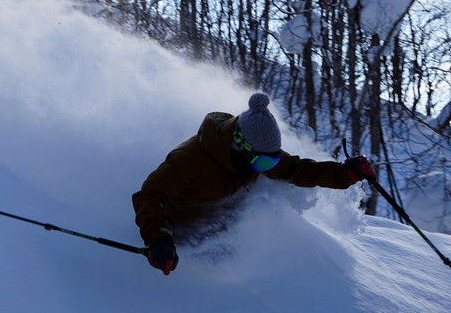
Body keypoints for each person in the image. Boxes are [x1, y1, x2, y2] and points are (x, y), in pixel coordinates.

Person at [133, 92, 375, 275]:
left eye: (271, 162)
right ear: (240, 147)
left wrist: (345, 174)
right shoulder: (189, 160)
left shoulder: (256, 158)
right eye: (262, 163)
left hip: (222, 235)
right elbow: (151, 196)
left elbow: (297, 169)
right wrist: (159, 238)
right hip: (178, 242)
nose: (266, 169)